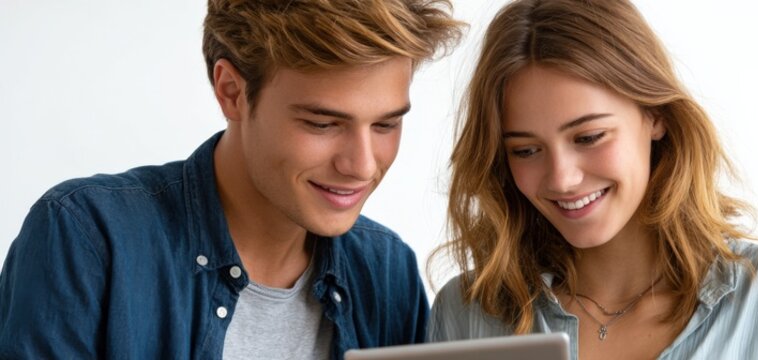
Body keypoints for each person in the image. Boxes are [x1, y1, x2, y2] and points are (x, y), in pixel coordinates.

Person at [0, 0, 461, 358]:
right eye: (322, 124)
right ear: (231, 92)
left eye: (385, 125)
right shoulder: (87, 237)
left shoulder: (388, 271)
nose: (361, 165)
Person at [428, 0, 758, 359]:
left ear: (655, 115)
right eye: (526, 150)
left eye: (589, 137)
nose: (563, 178)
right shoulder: (468, 315)